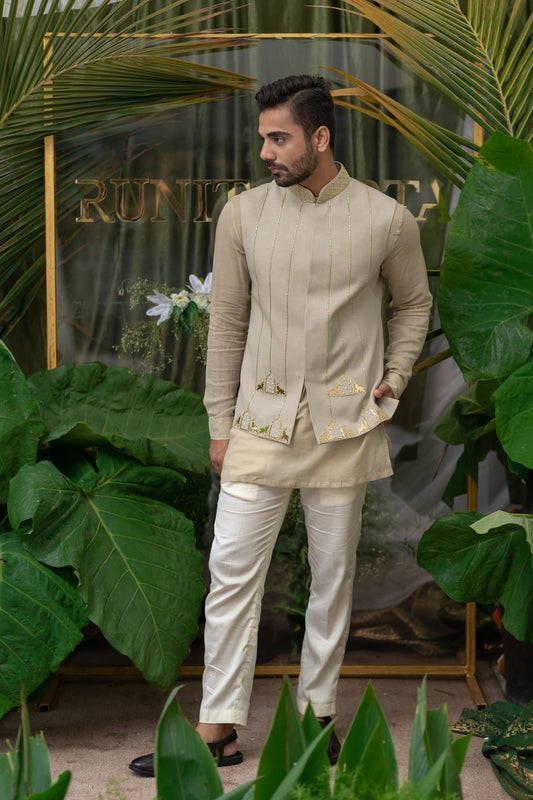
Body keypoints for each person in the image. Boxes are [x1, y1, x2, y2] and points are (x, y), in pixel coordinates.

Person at [129, 74, 432, 776]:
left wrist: (394, 376)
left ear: (318, 138)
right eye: (262, 137)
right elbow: (228, 322)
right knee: (231, 573)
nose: (264, 150)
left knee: (330, 579)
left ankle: (316, 714)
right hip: (259, 426)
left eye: (278, 137)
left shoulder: (385, 219)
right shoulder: (241, 216)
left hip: (345, 425)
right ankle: (216, 726)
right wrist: (218, 422)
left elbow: (413, 304)